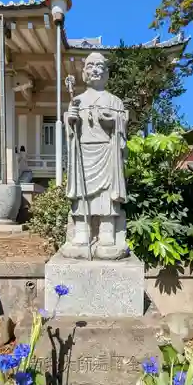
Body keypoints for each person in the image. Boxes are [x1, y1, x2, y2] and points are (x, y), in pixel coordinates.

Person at [63, 52, 128, 259]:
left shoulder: (115, 101)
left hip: (107, 152)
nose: (95, 70)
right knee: (83, 193)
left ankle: (107, 232)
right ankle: (82, 231)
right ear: (84, 73)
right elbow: (71, 130)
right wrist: (70, 119)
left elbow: (122, 125)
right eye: (90, 66)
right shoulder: (78, 101)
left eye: (100, 66)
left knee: (106, 195)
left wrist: (114, 121)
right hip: (83, 152)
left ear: (107, 73)